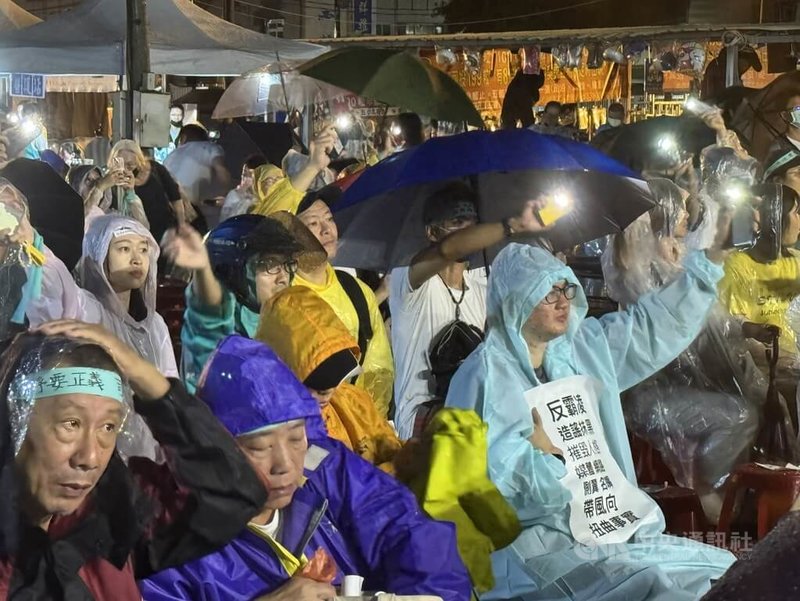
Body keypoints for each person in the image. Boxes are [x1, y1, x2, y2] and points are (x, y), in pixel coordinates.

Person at [445, 223, 738, 599]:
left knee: (723, 571)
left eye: (565, 288)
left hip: (610, 526)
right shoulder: (483, 376)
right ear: (516, 299)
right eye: (548, 293)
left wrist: (711, 259)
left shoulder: (582, 348)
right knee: (650, 585)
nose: (563, 301)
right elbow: (492, 487)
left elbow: (652, 328)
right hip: (534, 544)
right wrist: (543, 452)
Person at [140, 335, 472, 601]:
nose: (285, 464)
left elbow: (406, 528)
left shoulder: (322, 467)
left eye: (296, 438)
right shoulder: (171, 538)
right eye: (259, 447)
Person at [0, 320, 267, 599]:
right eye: (71, 423)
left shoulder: (108, 524)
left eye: (108, 427)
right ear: (12, 422)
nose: (90, 457)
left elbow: (232, 495)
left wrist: (142, 374)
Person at [602, 178, 760, 522]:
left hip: (680, 385)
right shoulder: (634, 267)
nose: (691, 216)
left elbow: (706, 320)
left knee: (755, 395)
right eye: (683, 209)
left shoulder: (675, 259)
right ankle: (707, 490)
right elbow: (663, 318)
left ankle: (730, 498)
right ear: (661, 213)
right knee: (739, 415)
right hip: (647, 395)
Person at [390, 181, 550, 440]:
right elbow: (448, 248)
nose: (470, 232)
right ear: (432, 232)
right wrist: (512, 226)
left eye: (473, 224)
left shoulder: (483, 285)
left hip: (474, 415)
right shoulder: (408, 282)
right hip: (421, 423)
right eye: (458, 224)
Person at [14, 212, 178, 459]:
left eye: (143, 250)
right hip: (96, 449)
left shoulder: (155, 325)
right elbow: (55, 289)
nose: (137, 260)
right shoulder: (87, 309)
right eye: (124, 249)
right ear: (99, 257)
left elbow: (169, 387)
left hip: (151, 453)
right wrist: (32, 242)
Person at [162, 213, 327, 394]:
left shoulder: (290, 320)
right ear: (231, 271)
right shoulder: (215, 335)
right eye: (270, 264)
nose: (283, 277)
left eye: (288, 264)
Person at [257, 286, 402, 471]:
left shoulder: (354, 401)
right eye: (317, 382)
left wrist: (415, 454)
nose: (328, 391)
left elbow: (392, 446)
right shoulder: (266, 432)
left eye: (337, 376)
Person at [293, 185, 395, 418]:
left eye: (329, 219)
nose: (327, 229)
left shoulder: (356, 291)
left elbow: (378, 368)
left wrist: (367, 424)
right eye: (313, 224)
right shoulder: (284, 296)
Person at [109, 139, 185, 245]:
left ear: (138, 159)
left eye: (130, 164)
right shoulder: (112, 180)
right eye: (121, 163)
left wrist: (182, 226)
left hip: (164, 231)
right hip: (135, 235)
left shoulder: (156, 169)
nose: (126, 169)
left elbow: (175, 197)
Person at [249, 129, 336, 217]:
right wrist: (312, 167)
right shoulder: (257, 219)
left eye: (329, 218)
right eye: (313, 222)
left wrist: (313, 166)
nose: (327, 229)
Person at [164, 123, 232, 229]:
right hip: (201, 211)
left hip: (172, 210)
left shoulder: (170, 156)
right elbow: (221, 171)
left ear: (183, 138)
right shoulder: (211, 148)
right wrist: (229, 196)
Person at [219, 153, 268, 221]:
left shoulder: (267, 197)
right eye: (244, 175)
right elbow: (225, 220)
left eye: (250, 176)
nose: (245, 180)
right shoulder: (234, 195)